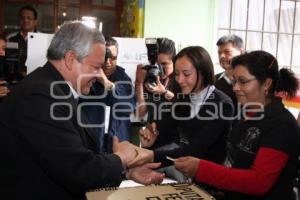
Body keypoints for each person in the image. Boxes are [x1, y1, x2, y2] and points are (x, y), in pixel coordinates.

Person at [0, 21, 164, 200]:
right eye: (96, 67)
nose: (99, 75)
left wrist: (125, 171)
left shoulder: (55, 89)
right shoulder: (40, 96)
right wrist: (121, 159)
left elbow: (69, 161)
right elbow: (78, 171)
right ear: (71, 59)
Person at [174, 50, 300, 200]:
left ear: (266, 83)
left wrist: (201, 169)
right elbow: (233, 165)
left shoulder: (281, 124)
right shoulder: (245, 116)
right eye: (234, 81)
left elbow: (259, 181)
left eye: (243, 81)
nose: (235, 88)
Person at [132, 46, 234, 179]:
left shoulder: (222, 104)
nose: (179, 80)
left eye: (186, 74)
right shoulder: (182, 99)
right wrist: (149, 143)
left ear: (203, 72)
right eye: (177, 74)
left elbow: (195, 149)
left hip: (208, 183)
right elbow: (163, 133)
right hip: (181, 177)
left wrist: (148, 155)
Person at [80, 36, 135, 153]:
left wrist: (106, 83)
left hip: (117, 144)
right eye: (105, 57)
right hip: (90, 144)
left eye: (113, 58)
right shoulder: (84, 77)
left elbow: (127, 107)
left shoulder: (123, 78)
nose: (108, 63)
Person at [215, 34, 244, 113]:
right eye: (219, 53)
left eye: (227, 52)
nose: (222, 56)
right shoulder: (212, 81)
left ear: (241, 52)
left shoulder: (250, 82)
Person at [7, 5, 38, 79]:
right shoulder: (10, 38)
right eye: (22, 18)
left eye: (29, 18)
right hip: (15, 80)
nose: (25, 20)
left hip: (36, 79)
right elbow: (9, 60)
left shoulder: (41, 39)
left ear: (35, 22)